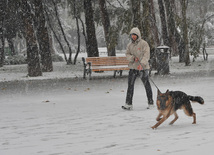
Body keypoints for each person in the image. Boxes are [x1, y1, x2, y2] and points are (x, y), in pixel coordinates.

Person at [122, 27, 154, 110]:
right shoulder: (129, 45)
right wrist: (132, 58)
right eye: (132, 35)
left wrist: (142, 64)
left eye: (135, 35)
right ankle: (128, 104)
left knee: (147, 85)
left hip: (143, 68)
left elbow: (146, 55)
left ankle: (151, 102)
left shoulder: (144, 44)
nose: (133, 37)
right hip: (133, 68)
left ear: (138, 35)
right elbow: (127, 54)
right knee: (130, 85)